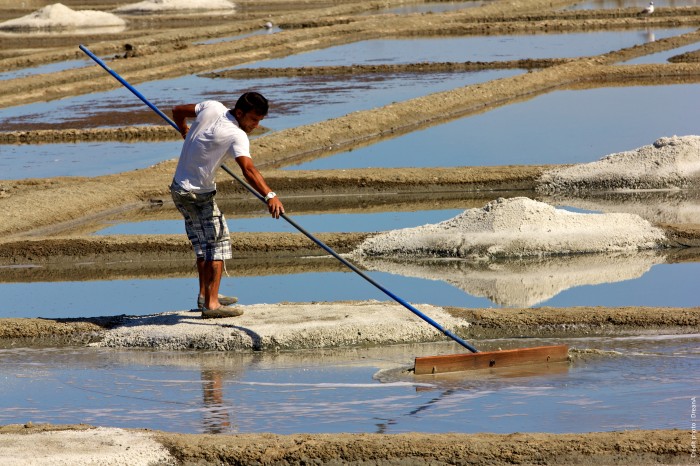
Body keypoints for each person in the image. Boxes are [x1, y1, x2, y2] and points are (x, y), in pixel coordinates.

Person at [170, 92, 284, 319]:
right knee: (218, 243)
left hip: (179, 189)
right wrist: (270, 195)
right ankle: (212, 305)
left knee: (203, 245)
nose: (256, 125)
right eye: (253, 119)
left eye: (260, 120)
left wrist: (183, 129)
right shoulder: (236, 135)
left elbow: (177, 111)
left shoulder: (211, 107)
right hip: (197, 195)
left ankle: (205, 295)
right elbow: (249, 170)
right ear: (240, 113)